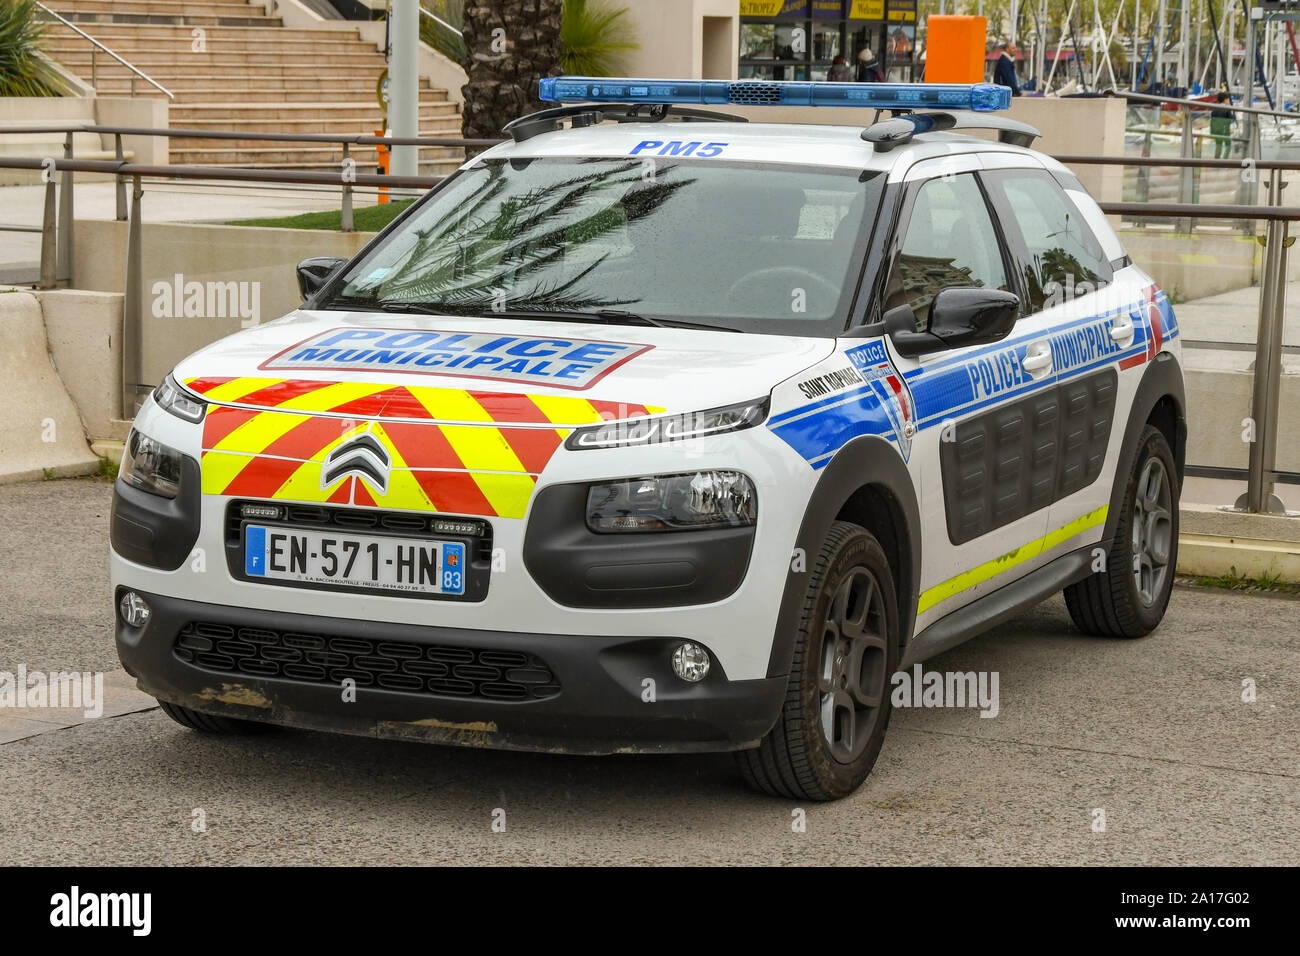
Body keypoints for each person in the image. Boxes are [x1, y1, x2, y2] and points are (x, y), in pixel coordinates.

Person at [1210, 91, 1234, 159]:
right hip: (1225, 130)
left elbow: (1212, 120)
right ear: (1225, 99)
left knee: (1218, 145)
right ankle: (1225, 159)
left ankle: (1217, 159)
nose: (1228, 100)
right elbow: (1231, 119)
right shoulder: (1226, 108)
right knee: (1228, 145)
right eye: (1227, 99)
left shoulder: (1214, 109)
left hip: (1216, 130)